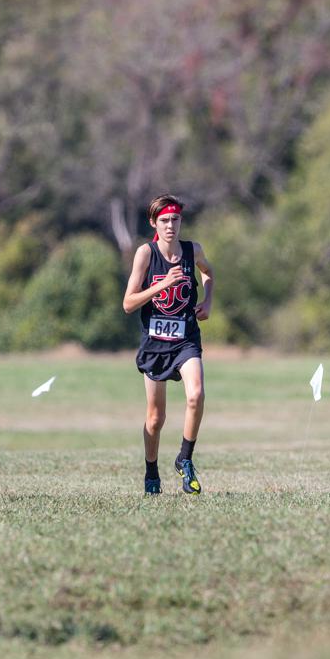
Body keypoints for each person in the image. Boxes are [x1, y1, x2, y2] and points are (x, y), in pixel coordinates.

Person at [123, 194, 214, 494]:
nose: (170, 225)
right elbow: (128, 303)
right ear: (154, 223)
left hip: (186, 339)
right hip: (156, 342)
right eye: (164, 220)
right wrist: (163, 284)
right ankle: (151, 471)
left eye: (175, 219)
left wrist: (207, 301)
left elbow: (208, 272)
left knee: (196, 394)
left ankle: (185, 459)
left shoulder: (192, 250)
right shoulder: (145, 254)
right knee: (155, 418)